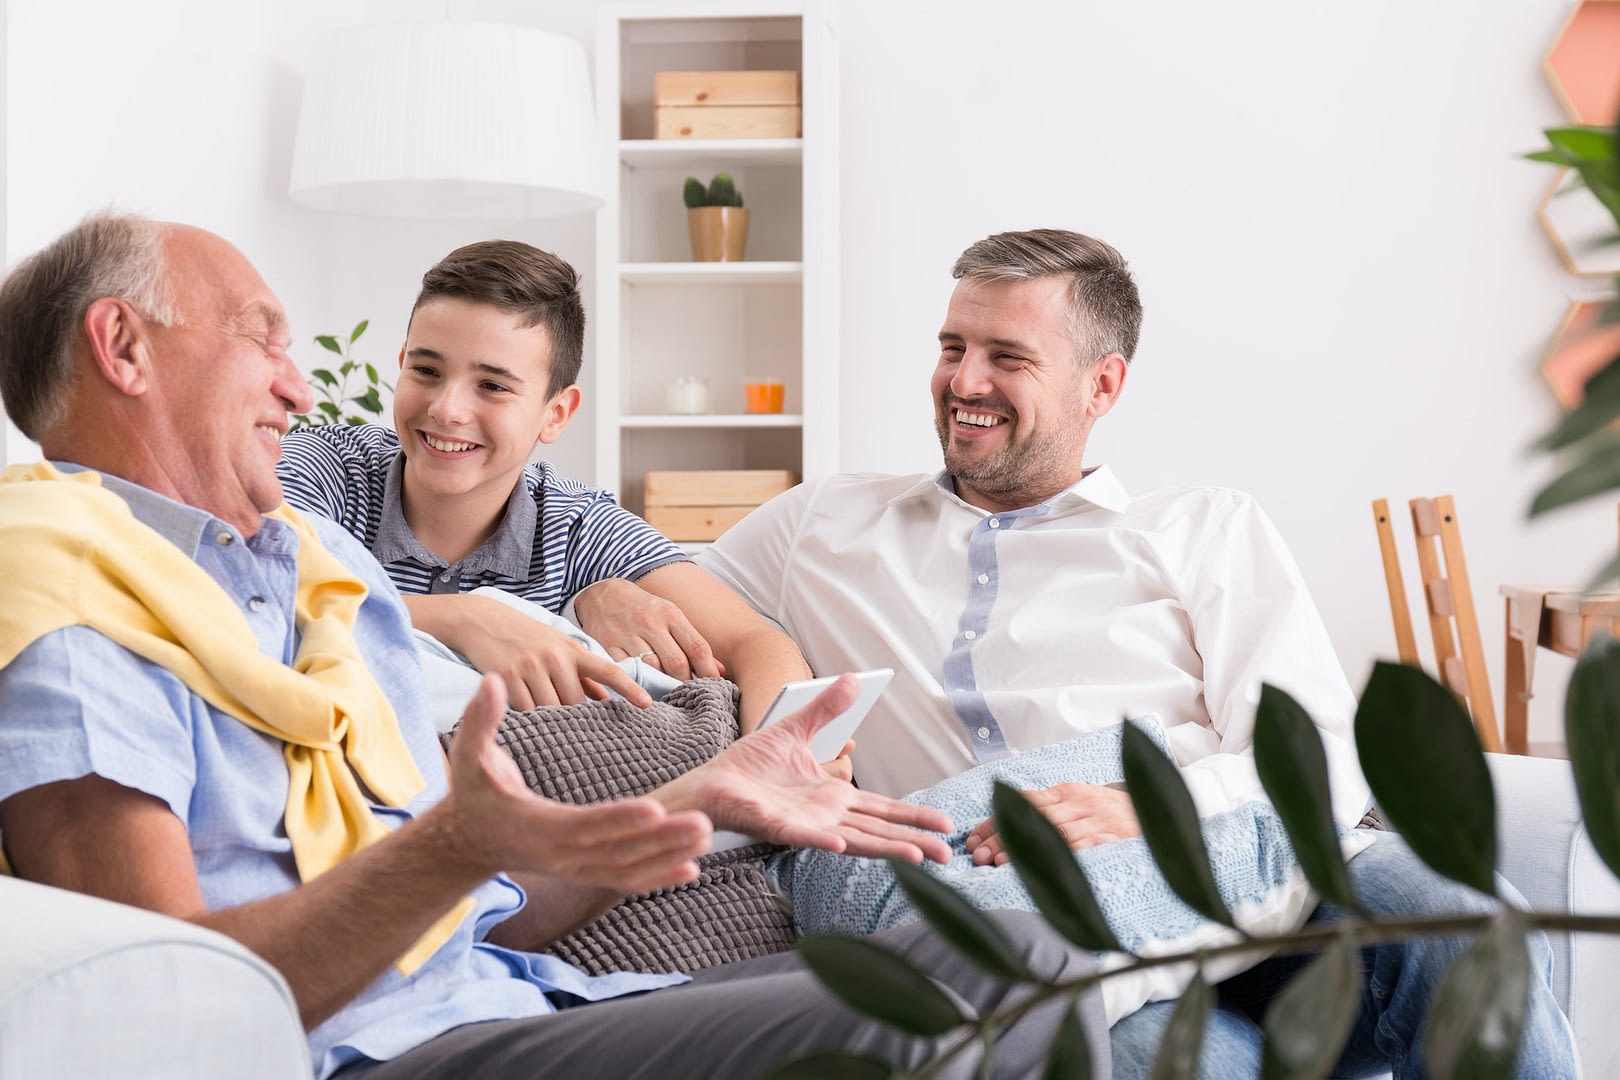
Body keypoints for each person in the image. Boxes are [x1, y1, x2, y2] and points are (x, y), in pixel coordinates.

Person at [0, 212, 1110, 1079]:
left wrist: (710, 791)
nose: (298, 384)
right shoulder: (63, 590)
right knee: (996, 993)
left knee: (1021, 953)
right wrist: (446, 847)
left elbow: (492, 904)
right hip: (381, 1050)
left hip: (504, 996)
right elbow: (161, 1006)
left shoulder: (317, 580)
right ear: (123, 347)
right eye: (261, 338)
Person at [695, 227, 1579, 1076]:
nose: (964, 380)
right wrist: (609, 591)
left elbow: (1316, 746)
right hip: (1054, 927)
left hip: (1263, 884)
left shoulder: (1201, 527)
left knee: (1460, 929)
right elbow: (649, 579)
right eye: (951, 345)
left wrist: (1150, 808)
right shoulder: (825, 522)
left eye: (1008, 357)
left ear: (1102, 386)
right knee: (1165, 1063)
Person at [276, 240, 810, 728]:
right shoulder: (323, 468)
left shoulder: (577, 526)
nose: (447, 409)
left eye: (492, 385)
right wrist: (470, 619)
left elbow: (757, 643)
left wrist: (785, 751)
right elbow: (250, 584)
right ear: (402, 366)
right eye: (427, 371)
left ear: (555, 413)